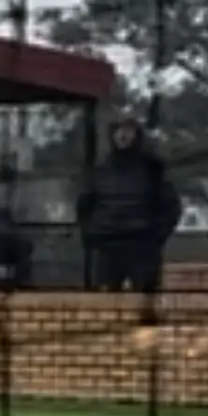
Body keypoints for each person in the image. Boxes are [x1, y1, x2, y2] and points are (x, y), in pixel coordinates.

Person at [77, 115, 181, 293]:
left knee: (145, 299)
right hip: (108, 247)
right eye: (118, 130)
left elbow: (171, 207)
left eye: (127, 130)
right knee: (105, 300)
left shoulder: (152, 169)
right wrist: (92, 234)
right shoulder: (100, 171)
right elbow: (84, 206)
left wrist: (155, 238)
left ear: (136, 134)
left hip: (141, 247)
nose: (122, 135)